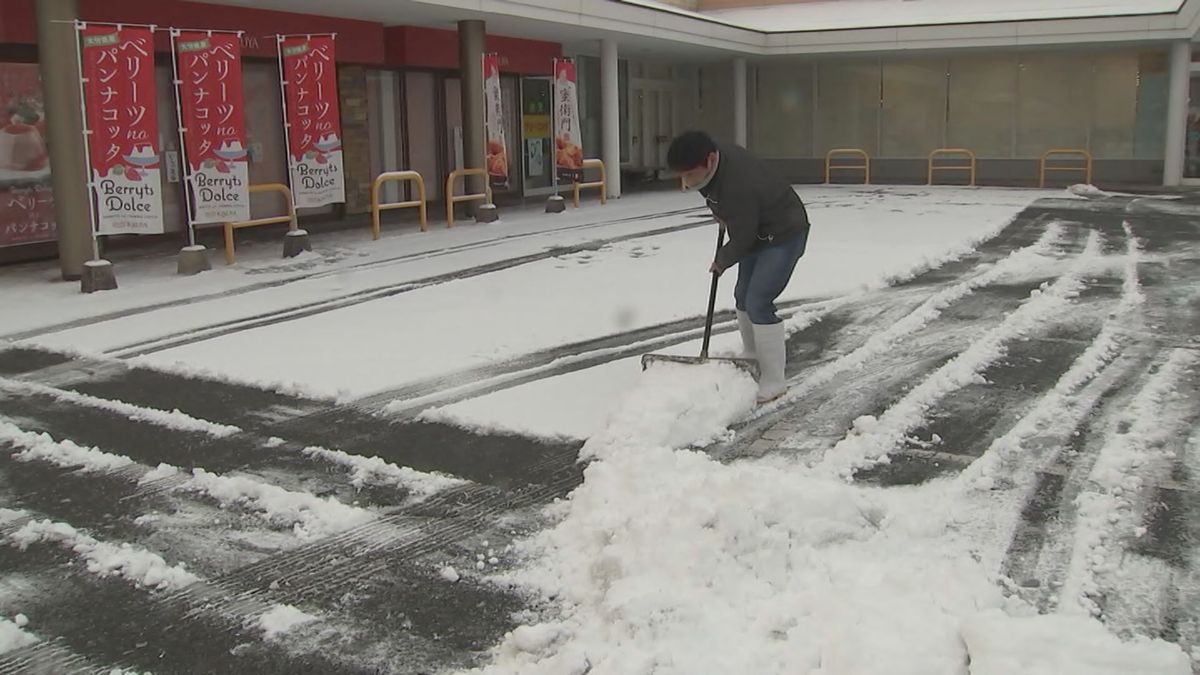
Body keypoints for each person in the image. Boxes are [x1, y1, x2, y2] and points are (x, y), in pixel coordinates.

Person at [667, 130, 810, 404]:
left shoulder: (738, 183)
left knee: (758, 300)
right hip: (757, 230)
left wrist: (721, 260)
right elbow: (719, 200)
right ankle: (753, 356)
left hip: (784, 234)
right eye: (681, 175)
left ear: (709, 160)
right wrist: (721, 213)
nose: (685, 182)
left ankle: (774, 380)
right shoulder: (713, 159)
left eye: (689, 174)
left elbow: (743, 236)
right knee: (742, 296)